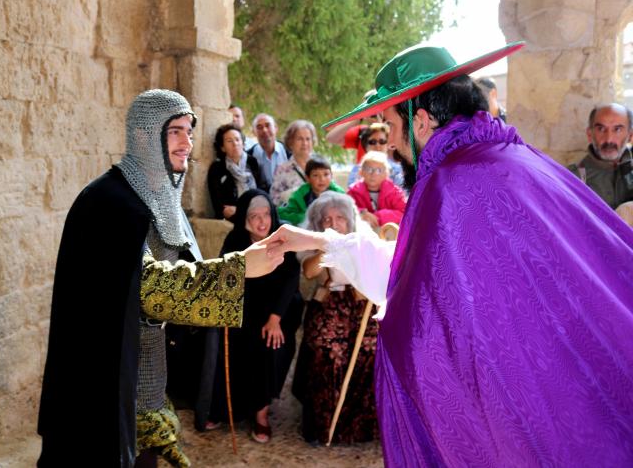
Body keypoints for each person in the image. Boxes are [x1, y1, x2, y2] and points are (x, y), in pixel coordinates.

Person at [266, 43, 633, 467]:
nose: (388, 146)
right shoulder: (511, 157)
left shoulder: (449, 183)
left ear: (420, 121)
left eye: (390, 124)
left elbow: (421, 312)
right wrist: (322, 241)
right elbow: (421, 273)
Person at [37, 89, 283, 468]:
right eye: (175, 132)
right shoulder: (111, 204)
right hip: (103, 382)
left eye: (189, 131)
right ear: (143, 136)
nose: (188, 143)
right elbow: (150, 288)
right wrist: (238, 268)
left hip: (145, 376)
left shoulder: (159, 197)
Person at [205, 190, 303, 443]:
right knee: (229, 345)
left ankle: (261, 413)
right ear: (244, 219)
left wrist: (275, 319)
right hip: (245, 307)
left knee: (269, 346)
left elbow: (291, 279)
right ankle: (224, 407)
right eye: (254, 216)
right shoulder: (235, 238)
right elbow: (224, 273)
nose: (262, 222)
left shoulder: (283, 236)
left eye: (266, 215)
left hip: (278, 310)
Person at [292, 192, 380, 445]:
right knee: (328, 352)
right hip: (329, 304)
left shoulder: (363, 240)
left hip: (362, 306)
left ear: (349, 220)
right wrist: (329, 247)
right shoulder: (317, 243)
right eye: (327, 219)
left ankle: (359, 427)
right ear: (319, 225)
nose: (334, 223)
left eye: (340, 218)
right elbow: (309, 272)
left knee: (370, 350)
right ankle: (325, 426)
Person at [567, 103, 633, 209]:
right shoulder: (571, 178)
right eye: (601, 129)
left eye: (617, 129)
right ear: (589, 134)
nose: (609, 139)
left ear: (630, 136)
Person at [207, 124, 267, 220]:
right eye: (229, 141)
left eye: (237, 139)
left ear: (243, 143)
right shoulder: (217, 168)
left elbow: (264, 191)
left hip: (257, 212)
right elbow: (218, 206)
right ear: (222, 147)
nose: (235, 144)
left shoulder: (254, 163)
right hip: (232, 218)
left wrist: (240, 210)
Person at [346, 151, 406, 228]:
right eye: (369, 169)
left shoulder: (395, 192)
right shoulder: (353, 192)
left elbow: (404, 213)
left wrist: (380, 216)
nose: (373, 174)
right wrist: (361, 213)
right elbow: (346, 209)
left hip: (388, 233)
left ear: (386, 174)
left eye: (379, 170)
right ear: (361, 172)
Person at [278, 156, 345, 225]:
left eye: (326, 174)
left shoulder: (339, 194)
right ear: (307, 178)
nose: (322, 179)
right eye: (316, 175)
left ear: (331, 176)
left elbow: (348, 213)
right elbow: (281, 213)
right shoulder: (300, 196)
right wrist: (303, 217)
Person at [270, 119, 318, 206]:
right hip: (294, 217)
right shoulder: (282, 170)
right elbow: (274, 200)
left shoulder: (320, 164)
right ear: (290, 142)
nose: (305, 143)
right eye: (300, 139)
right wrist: (293, 194)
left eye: (308, 139)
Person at [345, 123, 404, 189]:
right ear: (365, 145)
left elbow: (403, 195)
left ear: (387, 144)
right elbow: (352, 194)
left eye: (382, 141)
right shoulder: (357, 170)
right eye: (372, 142)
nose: (377, 145)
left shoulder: (397, 170)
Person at [248, 113, 289, 190]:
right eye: (259, 127)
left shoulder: (289, 152)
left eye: (268, 125)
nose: (264, 130)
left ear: (276, 128)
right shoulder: (249, 156)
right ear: (254, 132)